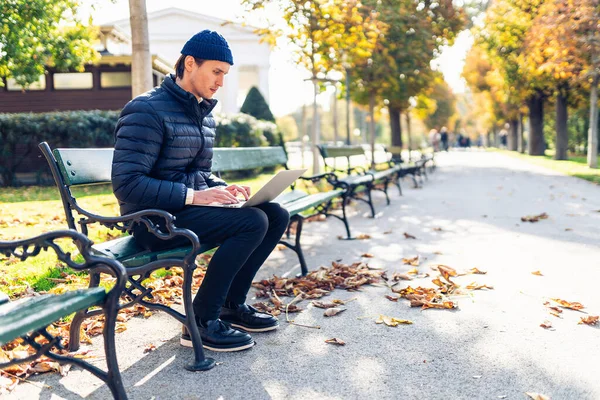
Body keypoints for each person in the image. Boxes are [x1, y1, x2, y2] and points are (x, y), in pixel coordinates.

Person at [111, 30, 289, 352]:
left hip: (184, 211)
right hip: (151, 221)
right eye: (216, 71)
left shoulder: (204, 115)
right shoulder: (146, 111)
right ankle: (202, 321)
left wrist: (224, 190)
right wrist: (195, 196)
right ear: (190, 63)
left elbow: (199, 174)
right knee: (253, 223)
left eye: (225, 74)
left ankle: (231, 306)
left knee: (274, 215)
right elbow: (128, 183)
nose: (221, 81)